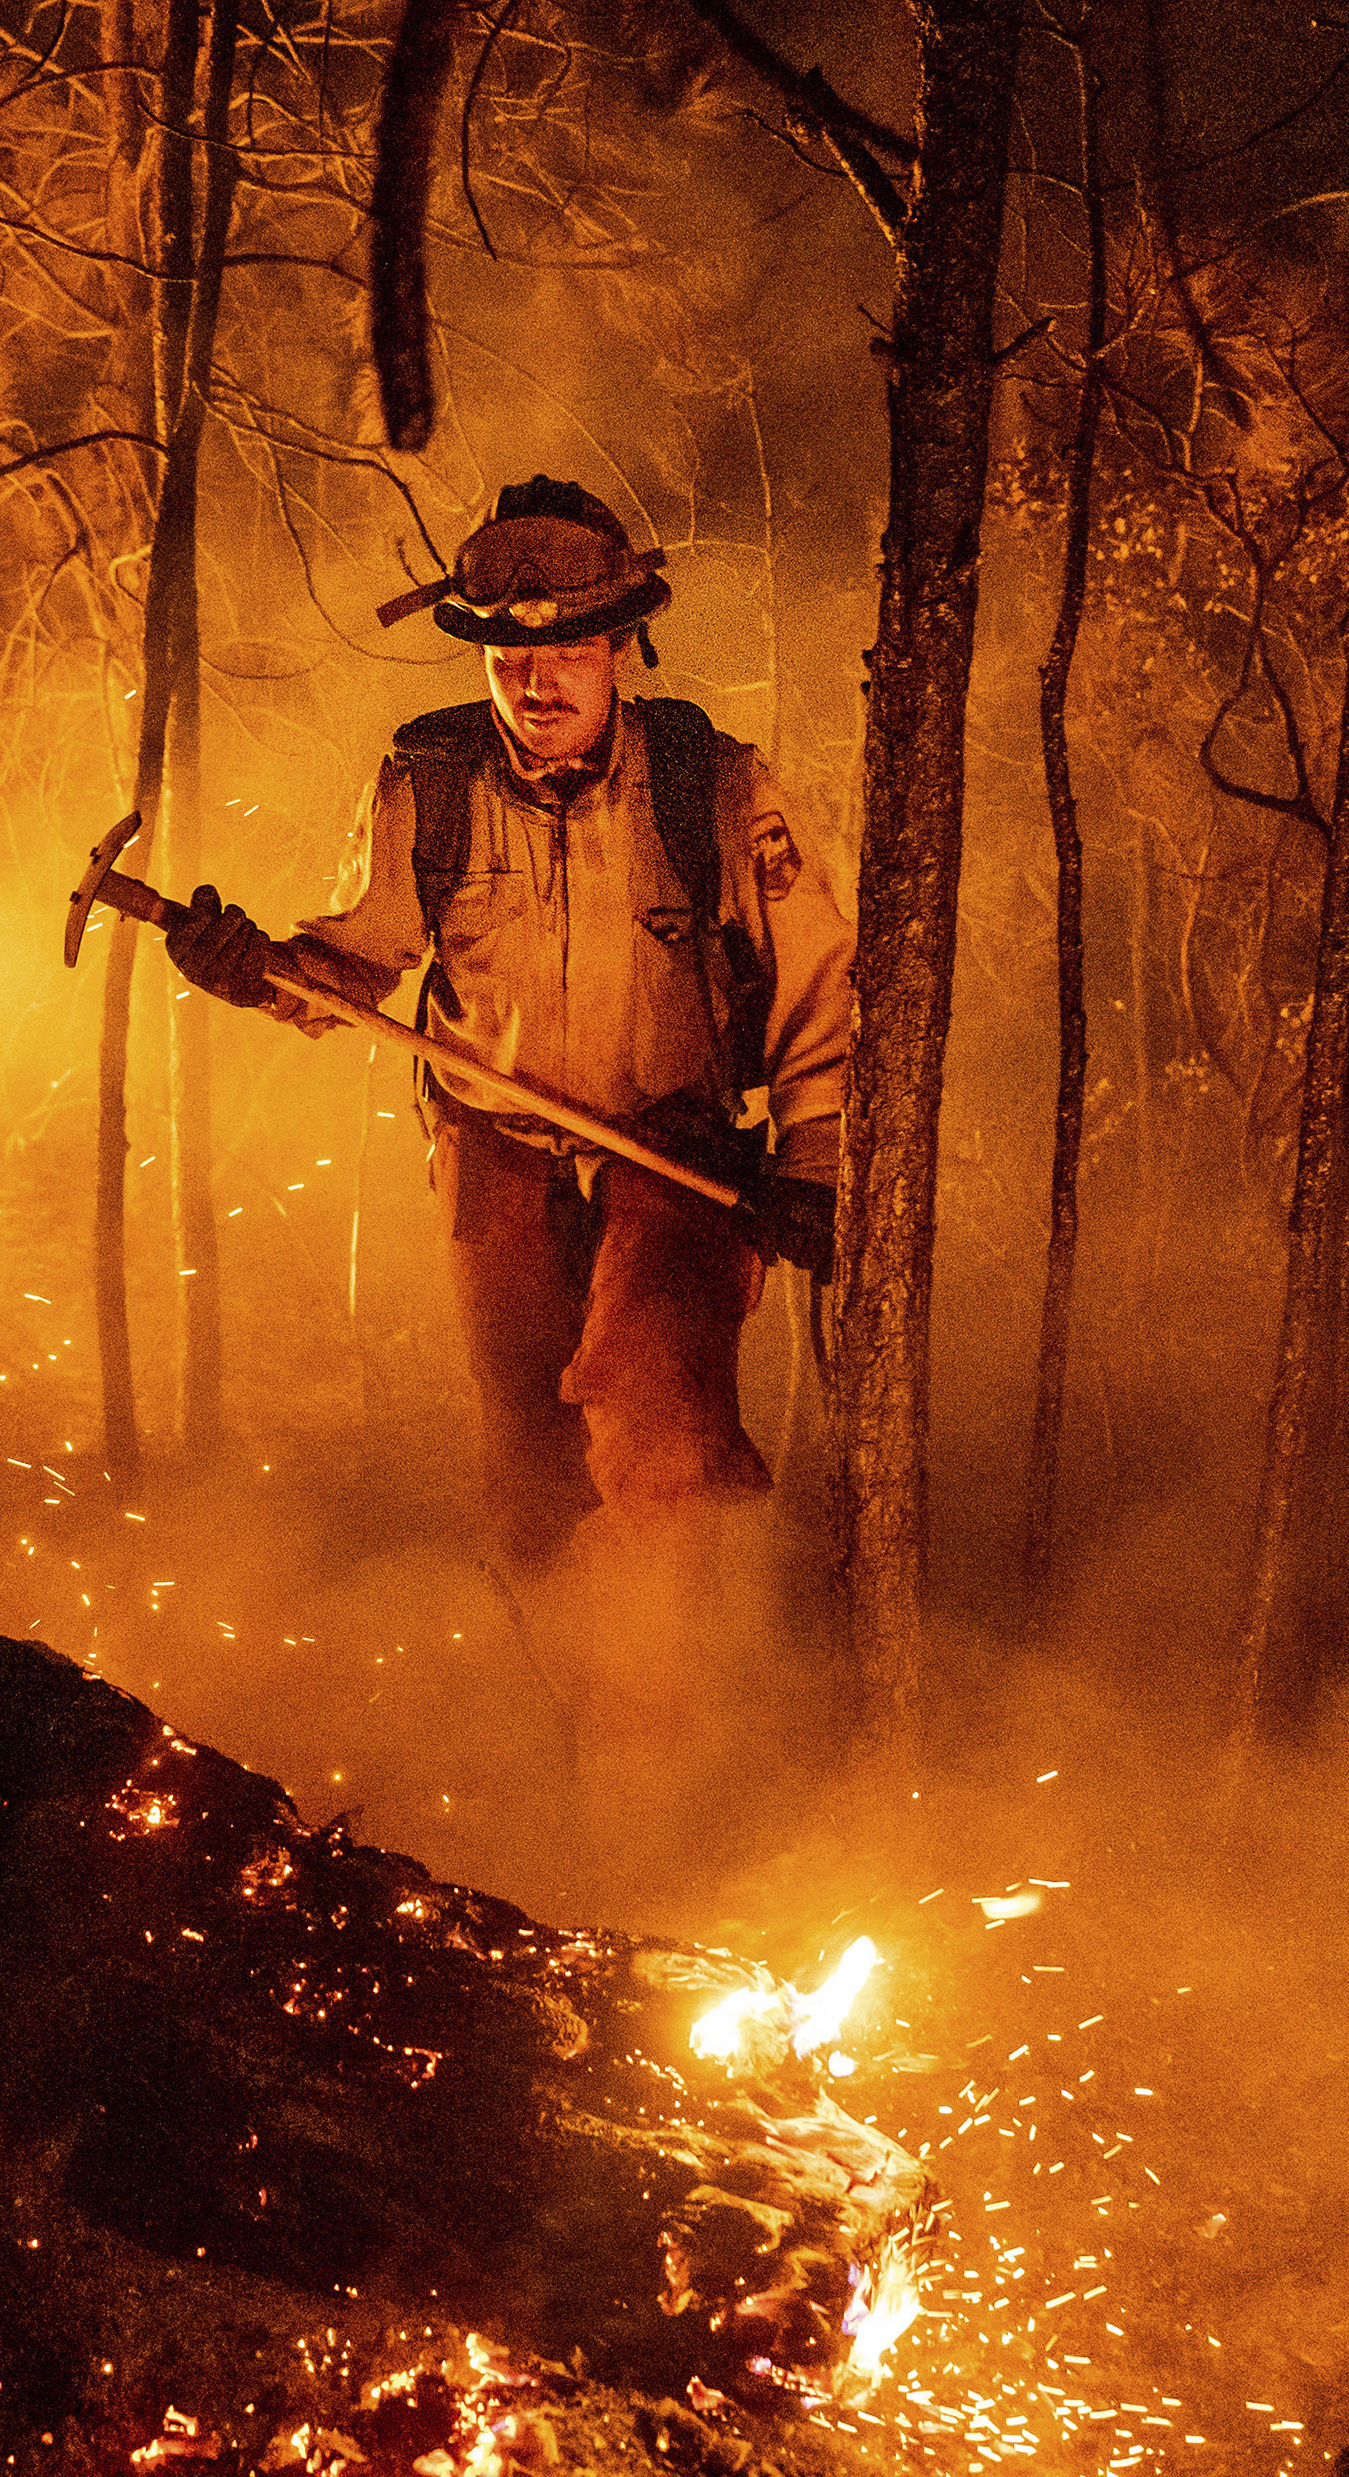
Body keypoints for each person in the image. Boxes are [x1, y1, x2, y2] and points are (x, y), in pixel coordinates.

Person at [165, 479, 853, 1815]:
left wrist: (816, 1163)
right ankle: (556, 1740)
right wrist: (255, 970)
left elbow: (819, 987)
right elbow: (358, 962)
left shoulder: (716, 792)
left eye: (570, 651)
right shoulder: (425, 785)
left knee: (655, 1452)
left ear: (622, 648)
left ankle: (646, 1763)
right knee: (531, 1489)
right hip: (500, 1157)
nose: (539, 683)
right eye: (511, 654)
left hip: (673, 1158)